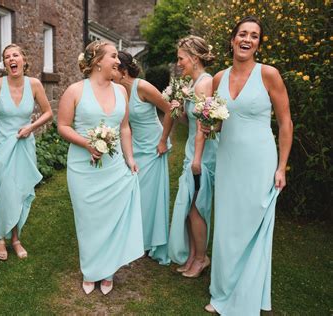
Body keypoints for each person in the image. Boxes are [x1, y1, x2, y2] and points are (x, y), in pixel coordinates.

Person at [203, 16, 293, 314]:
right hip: (228, 160)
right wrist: (208, 127)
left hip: (260, 161)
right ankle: (222, 291)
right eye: (243, 33)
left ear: (258, 44)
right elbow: (218, 122)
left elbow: (285, 122)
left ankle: (249, 293)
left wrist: (281, 167)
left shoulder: (269, 75)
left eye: (254, 36)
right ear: (232, 40)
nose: (247, 39)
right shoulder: (218, 78)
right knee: (228, 226)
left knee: (253, 224)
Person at [58, 41, 144, 295]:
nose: (118, 62)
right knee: (88, 220)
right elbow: (63, 126)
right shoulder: (75, 91)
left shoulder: (122, 92)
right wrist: (87, 143)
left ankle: (107, 271)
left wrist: (129, 157)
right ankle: (90, 269)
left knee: (111, 219)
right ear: (97, 61)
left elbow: (125, 127)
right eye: (114, 56)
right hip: (83, 167)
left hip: (114, 166)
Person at [0, 44, 52, 261]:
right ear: (4, 63)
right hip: (1, 147)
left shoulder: (34, 84)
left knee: (20, 191)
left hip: (25, 146)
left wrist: (31, 128)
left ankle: (15, 239)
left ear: (24, 59)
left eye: (15, 55)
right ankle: (0, 239)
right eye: (7, 57)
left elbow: (48, 113)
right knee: (7, 191)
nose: (11, 59)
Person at [113, 51, 173, 265]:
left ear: (123, 69)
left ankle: (148, 243)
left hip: (153, 147)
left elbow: (169, 111)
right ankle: (135, 239)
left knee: (148, 197)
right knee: (132, 194)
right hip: (134, 146)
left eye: (113, 68)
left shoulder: (143, 87)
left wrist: (163, 140)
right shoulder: (118, 91)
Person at [167, 36, 217, 278]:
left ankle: (201, 258)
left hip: (203, 154)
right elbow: (190, 122)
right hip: (192, 150)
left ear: (194, 58)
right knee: (189, 206)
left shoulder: (204, 84)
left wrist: (197, 160)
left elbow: (204, 126)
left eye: (181, 58)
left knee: (196, 207)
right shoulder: (193, 83)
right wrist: (178, 109)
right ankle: (193, 254)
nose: (178, 63)